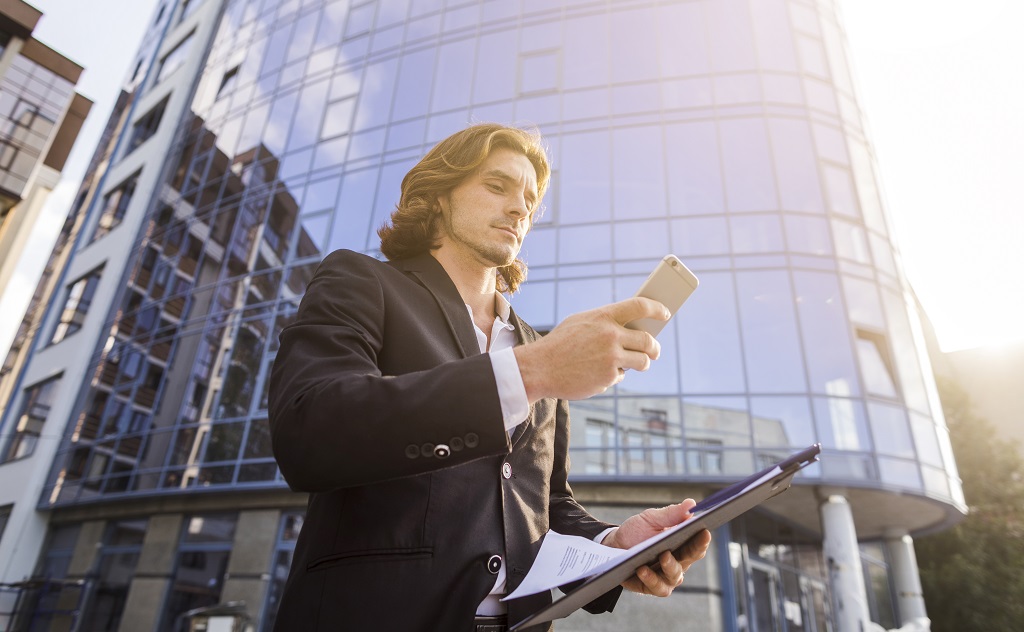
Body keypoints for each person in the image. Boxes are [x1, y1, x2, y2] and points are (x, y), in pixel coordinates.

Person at [268, 123, 711, 632]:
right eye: (497, 186)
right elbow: (311, 429)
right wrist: (534, 370)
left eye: (529, 197)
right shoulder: (361, 281)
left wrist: (612, 547)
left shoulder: (535, 343)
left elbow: (546, 506)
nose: (521, 207)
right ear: (437, 197)